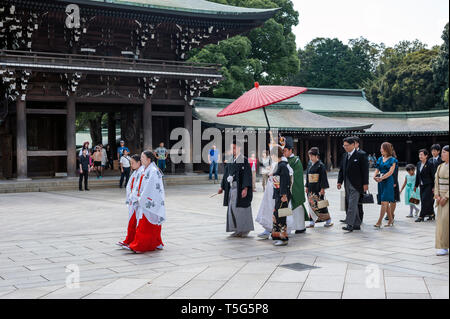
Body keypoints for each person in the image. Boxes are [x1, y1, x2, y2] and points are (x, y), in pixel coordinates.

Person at [126, 151, 165, 253]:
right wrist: (135, 196)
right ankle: (152, 243)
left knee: (145, 225)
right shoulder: (145, 170)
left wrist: (141, 198)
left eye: (143, 157)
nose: (141, 159)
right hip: (144, 199)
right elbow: (138, 185)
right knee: (146, 224)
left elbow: (150, 188)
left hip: (150, 201)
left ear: (148, 159)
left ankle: (141, 245)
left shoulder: (153, 171)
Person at [218, 141, 254, 238]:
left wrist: (245, 188)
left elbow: (247, 175)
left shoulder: (244, 160)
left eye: (234, 148)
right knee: (232, 209)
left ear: (239, 148)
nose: (232, 150)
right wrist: (222, 186)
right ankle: (236, 229)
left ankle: (244, 230)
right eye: (231, 148)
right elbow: (226, 174)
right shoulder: (230, 160)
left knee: (241, 210)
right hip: (231, 188)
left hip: (240, 188)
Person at [337, 137, 369, 232]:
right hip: (347, 183)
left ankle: (350, 224)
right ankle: (357, 224)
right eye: (344, 145)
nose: (345, 147)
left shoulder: (361, 155)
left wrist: (365, 183)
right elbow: (341, 170)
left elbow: (365, 171)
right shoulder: (344, 155)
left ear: (353, 145)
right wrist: (339, 181)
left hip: (357, 184)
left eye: (347, 145)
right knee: (351, 204)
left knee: (352, 204)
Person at [117, 154, 143, 248]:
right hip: (132, 200)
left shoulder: (142, 172)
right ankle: (129, 239)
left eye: (132, 163)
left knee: (135, 222)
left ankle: (132, 240)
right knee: (131, 221)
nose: (131, 165)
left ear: (139, 162)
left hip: (137, 201)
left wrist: (135, 197)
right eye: (130, 163)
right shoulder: (136, 171)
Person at [284, 137, 308, 234]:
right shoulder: (285, 160)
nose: (284, 153)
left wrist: (293, 188)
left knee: (297, 206)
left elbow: (297, 176)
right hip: (287, 187)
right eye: (283, 151)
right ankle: (290, 226)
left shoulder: (296, 160)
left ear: (290, 150)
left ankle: (300, 227)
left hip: (294, 187)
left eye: (285, 151)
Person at [305, 147, 333, 228]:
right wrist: (306, 186)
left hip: (318, 188)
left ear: (316, 156)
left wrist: (322, 188)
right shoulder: (310, 164)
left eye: (312, 156)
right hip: (310, 187)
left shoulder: (321, 165)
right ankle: (311, 222)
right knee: (311, 205)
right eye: (309, 156)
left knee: (321, 205)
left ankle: (328, 220)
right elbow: (307, 176)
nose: (310, 158)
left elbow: (323, 178)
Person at [373, 142, 397, 228]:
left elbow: (391, 172)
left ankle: (379, 221)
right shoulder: (380, 158)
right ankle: (391, 219)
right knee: (385, 202)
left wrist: (382, 178)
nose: (380, 150)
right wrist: (374, 176)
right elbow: (377, 168)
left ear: (387, 149)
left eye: (382, 149)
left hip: (388, 181)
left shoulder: (393, 160)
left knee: (384, 202)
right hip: (380, 182)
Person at [271, 145, 291, 246]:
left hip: (282, 195)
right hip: (279, 193)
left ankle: (283, 238)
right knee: (277, 215)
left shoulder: (282, 165)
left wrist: (283, 194)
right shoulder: (281, 165)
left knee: (280, 216)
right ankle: (279, 236)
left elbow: (284, 181)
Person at [434, 145, 449, 256]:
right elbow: (436, 182)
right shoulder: (440, 166)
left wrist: (446, 197)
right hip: (440, 198)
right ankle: (442, 246)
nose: (442, 154)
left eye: (444, 152)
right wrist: (437, 195)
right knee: (441, 222)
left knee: (446, 221)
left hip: (447, 197)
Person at [414, 149, 435, 222]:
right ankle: (432, 214)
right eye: (419, 155)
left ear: (426, 156)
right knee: (425, 200)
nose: (420, 156)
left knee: (424, 200)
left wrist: (434, 186)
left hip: (429, 185)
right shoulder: (418, 163)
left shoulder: (430, 164)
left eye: (422, 155)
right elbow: (417, 175)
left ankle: (421, 216)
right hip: (421, 185)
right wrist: (415, 185)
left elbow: (433, 176)